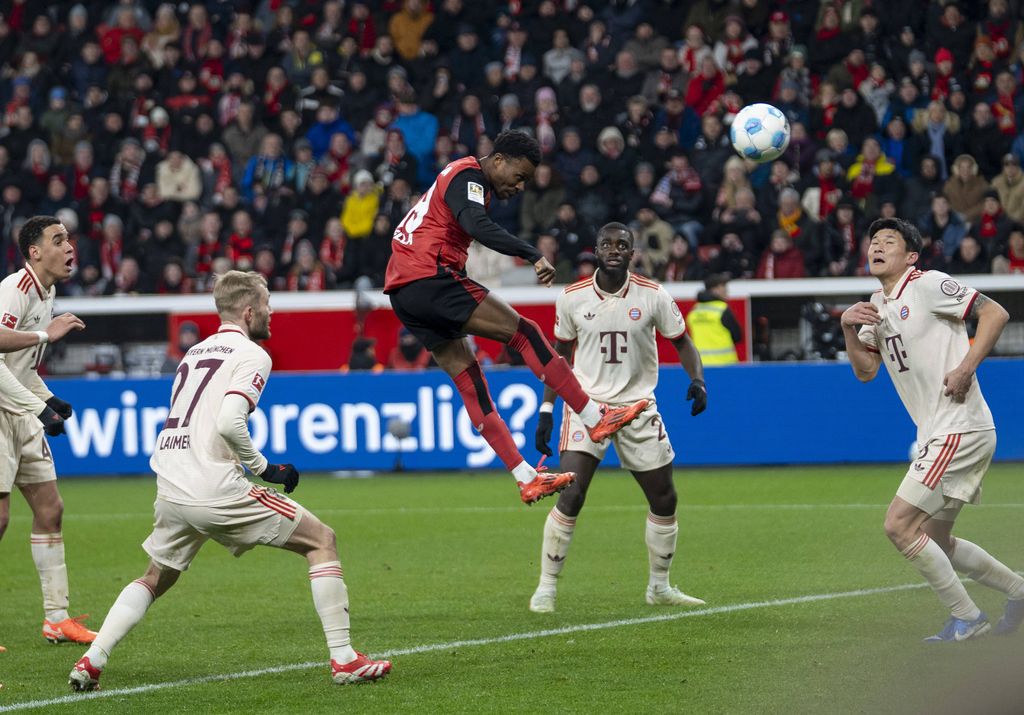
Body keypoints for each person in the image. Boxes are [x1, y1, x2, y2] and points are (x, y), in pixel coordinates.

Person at [68, 271, 391, 690]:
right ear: (250, 311)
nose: (272, 313)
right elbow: (228, 422)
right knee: (321, 540)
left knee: (155, 576)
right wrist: (265, 468)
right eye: (268, 304)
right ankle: (344, 659)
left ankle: (92, 659)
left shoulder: (193, 353)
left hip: (171, 482)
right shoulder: (253, 354)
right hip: (214, 485)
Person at [384, 131, 649, 505]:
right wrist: (532, 253)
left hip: (403, 291)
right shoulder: (468, 176)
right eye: (519, 175)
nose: (520, 186)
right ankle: (594, 417)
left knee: (470, 381)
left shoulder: (461, 179)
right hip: (429, 275)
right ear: (498, 160)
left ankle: (526, 476)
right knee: (526, 333)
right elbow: (477, 225)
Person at [840, 218, 1023, 641]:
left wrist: (966, 367)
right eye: (873, 241)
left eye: (888, 241)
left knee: (899, 525)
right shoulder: (876, 304)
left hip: (958, 427)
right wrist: (848, 327)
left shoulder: (927, 284)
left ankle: (968, 617)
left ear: (911, 256)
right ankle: (1018, 591)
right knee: (935, 538)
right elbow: (866, 371)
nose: (876, 246)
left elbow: (995, 313)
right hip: (941, 431)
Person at [529, 222, 708, 613]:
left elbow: (683, 342)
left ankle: (659, 587)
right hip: (586, 406)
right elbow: (558, 359)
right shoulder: (571, 298)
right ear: (596, 250)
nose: (614, 249)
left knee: (664, 496)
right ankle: (546, 587)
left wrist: (698, 380)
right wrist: (546, 410)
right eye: (607, 244)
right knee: (571, 492)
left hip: (637, 407)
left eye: (622, 245)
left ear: (632, 253)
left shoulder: (653, 295)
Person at [0, 216, 96, 647]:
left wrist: (49, 399)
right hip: (2, 413)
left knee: (50, 509)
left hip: (20, 409)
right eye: (58, 240)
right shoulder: (15, 289)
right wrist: (38, 407)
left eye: (69, 239)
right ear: (34, 252)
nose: (69, 247)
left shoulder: (48, 291)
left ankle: (57, 619)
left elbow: (20, 367)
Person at [686, 274, 743, 366]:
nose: (726, 290)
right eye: (723, 286)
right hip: (725, 364)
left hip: (700, 365)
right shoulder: (722, 309)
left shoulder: (695, 311)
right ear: (714, 289)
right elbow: (738, 336)